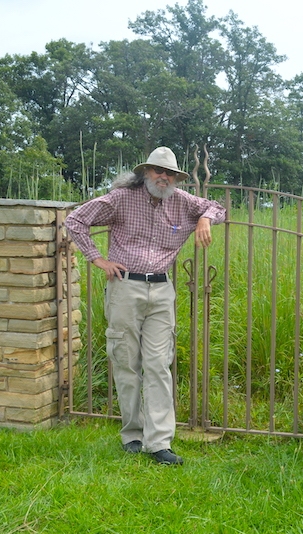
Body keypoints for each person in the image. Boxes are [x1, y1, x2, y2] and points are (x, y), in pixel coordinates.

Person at [65, 147, 226, 465]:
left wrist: (205, 219)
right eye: (158, 171)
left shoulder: (182, 202)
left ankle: (159, 442)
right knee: (126, 361)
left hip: (162, 290)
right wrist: (97, 259)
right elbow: (75, 220)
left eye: (170, 173)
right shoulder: (121, 199)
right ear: (146, 172)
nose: (164, 177)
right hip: (125, 287)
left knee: (158, 365)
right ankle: (132, 435)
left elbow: (217, 207)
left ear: (176, 178)